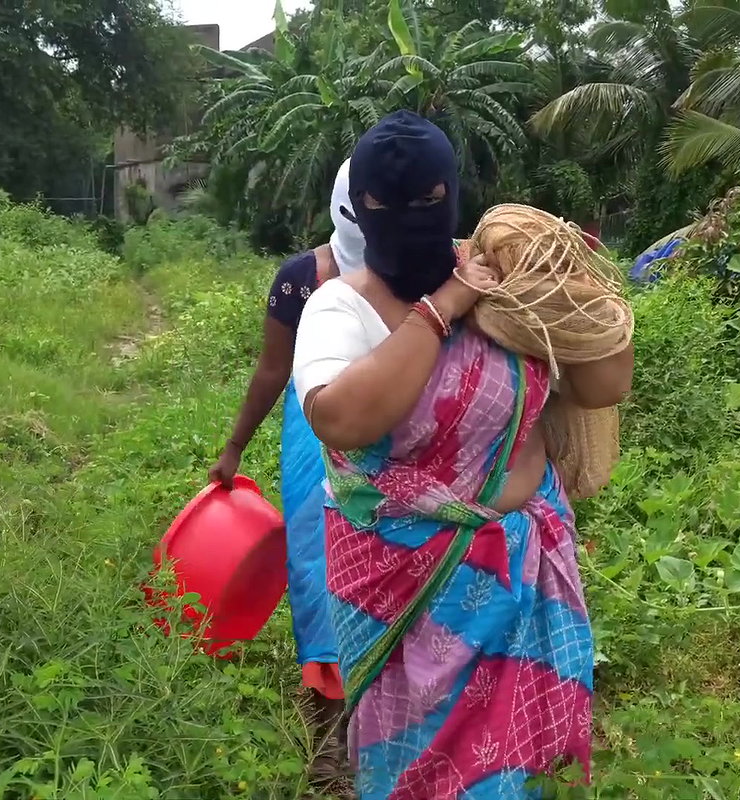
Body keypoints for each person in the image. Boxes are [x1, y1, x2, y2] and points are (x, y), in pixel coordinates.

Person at [292, 111, 633, 799]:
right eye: (385, 208)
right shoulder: (340, 306)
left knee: (507, 774)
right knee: (413, 772)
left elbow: (605, 383)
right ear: (358, 208)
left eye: (428, 203)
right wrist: (446, 303)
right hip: (401, 588)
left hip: (514, 579)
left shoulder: (504, 286)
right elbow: (341, 418)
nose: (409, 221)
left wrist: (565, 285)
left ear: (454, 192)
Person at [209, 159, 366, 792]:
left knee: (383, 569)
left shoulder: (431, 271)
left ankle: (379, 723)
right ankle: (329, 738)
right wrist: (234, 447)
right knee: (316, 572)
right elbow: (274, 370)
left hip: (395, 442)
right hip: (315, 436)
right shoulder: (300, 280)